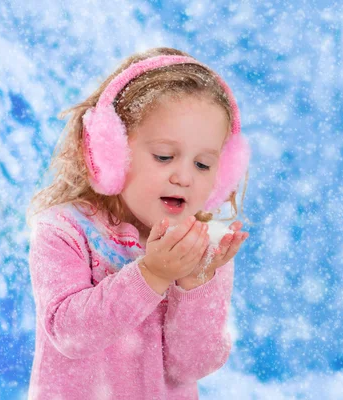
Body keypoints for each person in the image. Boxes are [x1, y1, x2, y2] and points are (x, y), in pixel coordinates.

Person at [25, 47, 251, 399]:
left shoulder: (203, 248)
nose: (184, 176)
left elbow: (191, 366)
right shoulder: (64, 230)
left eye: (203, 164)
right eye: (164, 156)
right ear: (110, 152)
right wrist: (152, 275)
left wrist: (194, 283)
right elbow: (69, 333)